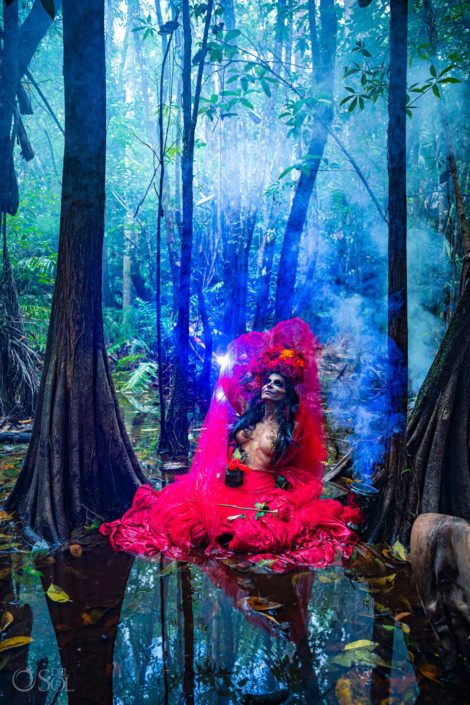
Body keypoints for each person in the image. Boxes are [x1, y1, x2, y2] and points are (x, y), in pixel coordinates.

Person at [101, 318, 362, 571]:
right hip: (229, 483)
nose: (270, 387)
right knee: (185, 522)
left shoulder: (292, 425)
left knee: (256, 535)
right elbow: (229, 383)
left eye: (278, 384)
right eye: (267, 382)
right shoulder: (249, 411)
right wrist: (234, 354)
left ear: (287, 393)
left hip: (262, 494)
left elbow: (307, 445)